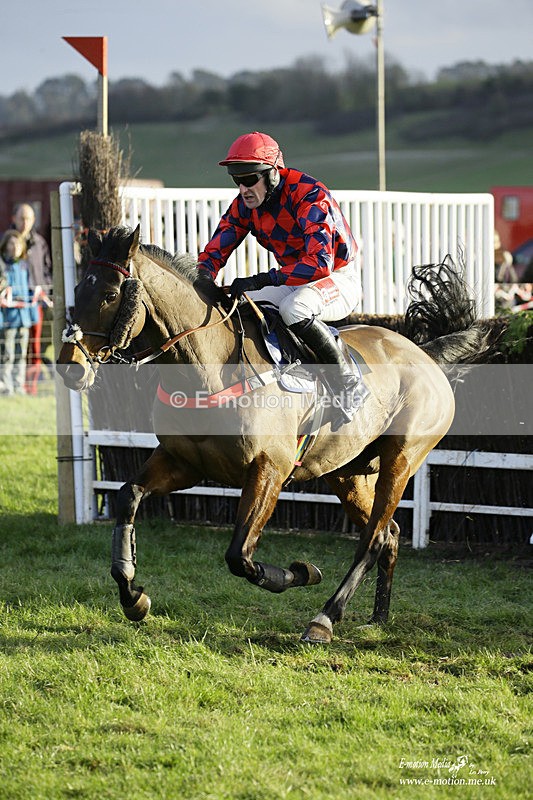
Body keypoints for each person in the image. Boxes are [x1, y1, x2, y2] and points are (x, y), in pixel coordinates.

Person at [197, 131, 362, 416]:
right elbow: (215, 250)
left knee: (295, 309)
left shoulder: (309, 195)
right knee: (242, 303)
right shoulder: (244, 206)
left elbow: (319, 263)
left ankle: (348, 382)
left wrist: (263, 278)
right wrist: (202, 278)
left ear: (273, 174)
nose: (243, 188)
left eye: (249, 179)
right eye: (237, 180)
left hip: (335, 277)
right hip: (294, 280)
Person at [11, 202, 53, 395]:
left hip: (35, 302)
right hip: (13, 304)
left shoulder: (39, 242)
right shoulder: (7, 241)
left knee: (34, 347)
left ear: (33, 220)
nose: (25, 222)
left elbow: (46, 271)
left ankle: (31, 386)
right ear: (14, 219)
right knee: (13, 345)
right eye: (21, 217)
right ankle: (12, 384)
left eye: (28, 218)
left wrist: (45, 292)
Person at [0, 230, 34, 395]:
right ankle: (6, 387)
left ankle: (18, 385)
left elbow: (30, 291)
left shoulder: (24, 266)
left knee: (21, 353)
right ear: (5, 246)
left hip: (24, 318)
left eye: (18, 244)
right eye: (11, 244)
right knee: (7, 354)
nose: (14, 247)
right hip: (8, 318)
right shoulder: (2, 266)